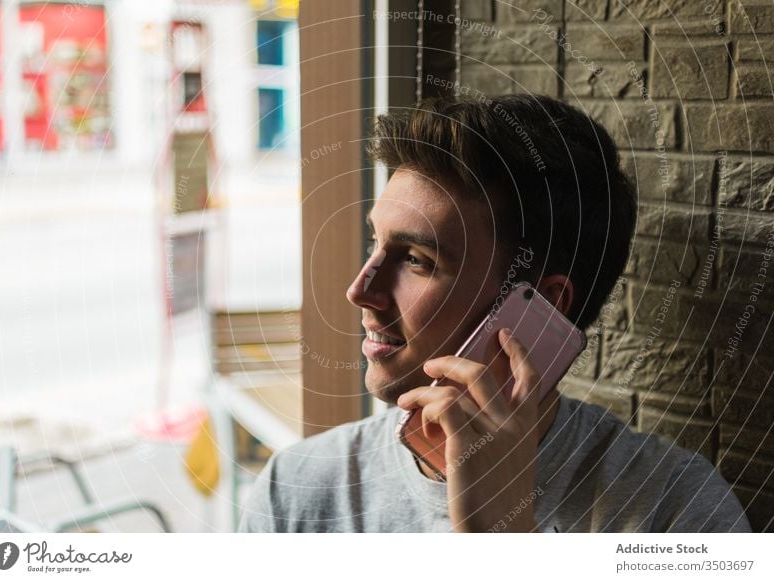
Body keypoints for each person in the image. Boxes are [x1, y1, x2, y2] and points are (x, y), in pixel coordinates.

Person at [238, 94, 751, 533]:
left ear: (542, 307)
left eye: (417, 260)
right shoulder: (298, 492)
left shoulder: (677, 510)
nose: (360, 290)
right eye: (376, 242)